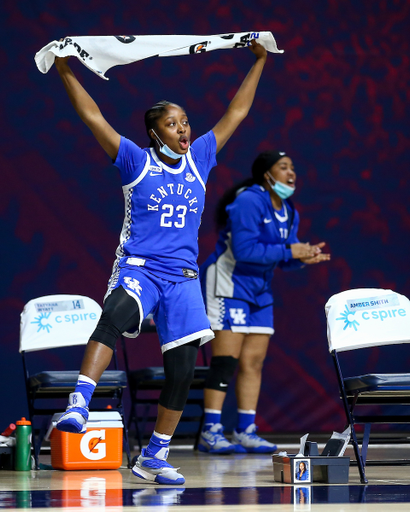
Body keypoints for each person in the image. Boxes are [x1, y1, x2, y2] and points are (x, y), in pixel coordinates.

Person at [50, 39, 268, 485]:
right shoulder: (135, 160)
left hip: (183, 279)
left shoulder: (201, 157)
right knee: (114, 316)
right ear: (156, 133)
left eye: (186, 121)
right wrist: (63, 67)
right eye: (173, 124)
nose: (184, 129)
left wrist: (260, 60)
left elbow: (237, 113)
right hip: (140, 266)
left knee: (184, 370)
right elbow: (92, 116)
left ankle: (154, 456)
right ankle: (79, 402)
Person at [198, 150, 330, 454]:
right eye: (283, 167)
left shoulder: (289, 210)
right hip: (229, 284)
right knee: (225, 361)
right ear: (266, 175)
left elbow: (284, 257)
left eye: (293, 167)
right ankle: (211, 431)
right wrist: (289, 252)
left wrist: (302, 258)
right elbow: (245, 252)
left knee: (253, 362)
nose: (291, 173)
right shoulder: (248, 201)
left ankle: (245, 429)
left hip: (260, 291)